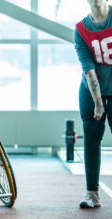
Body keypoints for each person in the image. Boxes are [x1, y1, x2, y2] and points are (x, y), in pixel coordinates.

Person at [75, 0, 112, 208]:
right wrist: (98, 103)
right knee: (91, 137)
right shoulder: (81, 29)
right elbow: (88, 69)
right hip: (91, 89)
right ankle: (92, 193)